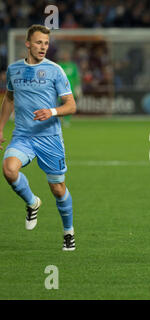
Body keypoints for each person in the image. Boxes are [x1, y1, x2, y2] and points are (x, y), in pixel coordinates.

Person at [0, 25, 77, 251]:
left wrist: (51, 111)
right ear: (28, 44)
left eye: (45, 43)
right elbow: (9, 99)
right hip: (23, 136)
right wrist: (1, 127)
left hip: (50, 138)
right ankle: (32, 202)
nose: (43, 47)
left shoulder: (55, 70)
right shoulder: (14, 70)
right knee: (9, 169)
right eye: (38, 42)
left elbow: (71, 105)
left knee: (58, 189)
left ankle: (68, 232)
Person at [58, 51, 82, 127]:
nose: (65, 57)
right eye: (64, 55)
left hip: (70, 89)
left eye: (67, 55)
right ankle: (58, 120)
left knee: (69, 105)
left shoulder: (73, 66)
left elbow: (76, 77)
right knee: (59, 105)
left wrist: (78, 88)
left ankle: (66, 121)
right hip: (60, 89)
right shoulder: (59, 65)